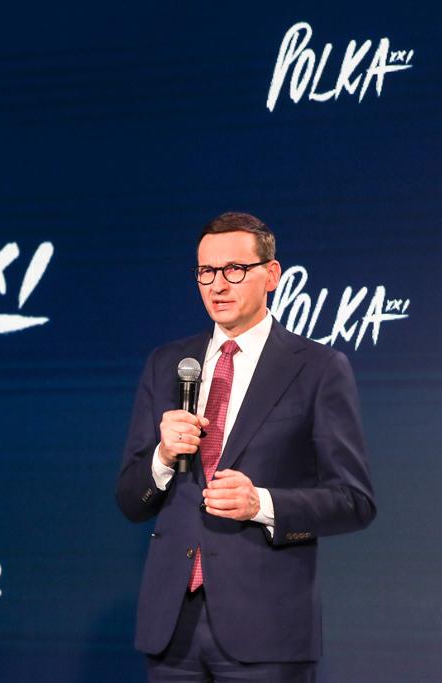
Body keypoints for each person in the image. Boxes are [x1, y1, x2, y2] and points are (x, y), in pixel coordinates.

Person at [115, 212, 375, 681]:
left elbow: (354, 501)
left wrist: (262, 504)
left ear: (271, 275)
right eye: (206, 272)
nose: (218, 285)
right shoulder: (167, 363)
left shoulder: (318, 368)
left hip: (268, 629)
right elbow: (131, 501)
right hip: (171, 629)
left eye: (234, 269)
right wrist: (162, 458)